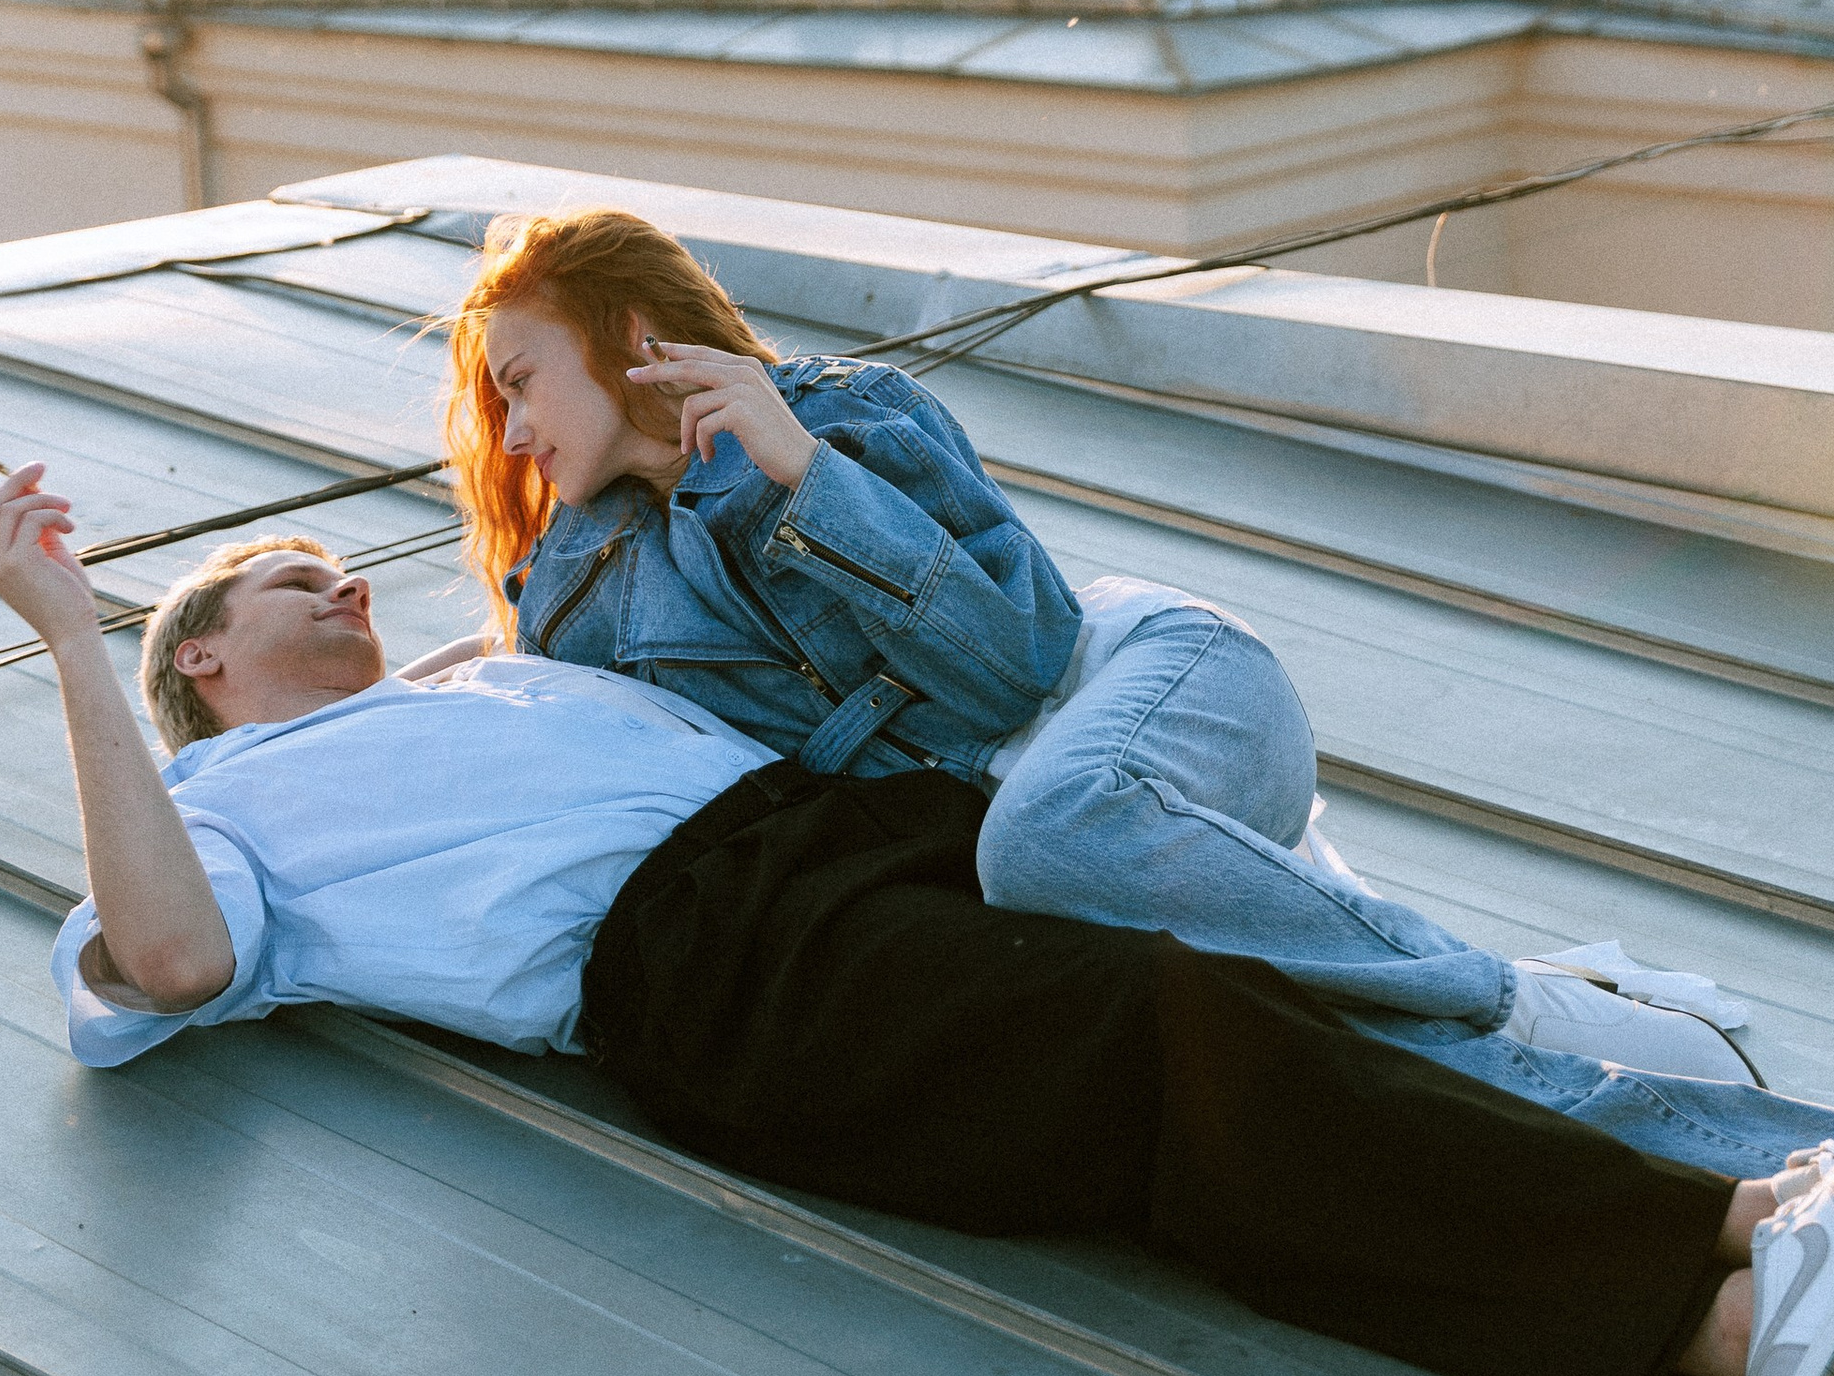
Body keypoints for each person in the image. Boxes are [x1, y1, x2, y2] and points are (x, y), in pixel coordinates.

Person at [0, 462, 1834, 1376]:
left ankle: (1801, 1200)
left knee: (1289, 991)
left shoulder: (487, 667)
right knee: (1170, 1055)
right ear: (207, 671)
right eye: (272, 582)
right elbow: (161, 952)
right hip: (713, 958)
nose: (333, 572)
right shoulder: (232, 803)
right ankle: (1732, 1317)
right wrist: (69, 638)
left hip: (848, 833)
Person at [443, 208, 1765, 1138]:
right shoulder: (580, 602)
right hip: (1066, 838)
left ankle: (1516, 998)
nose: (509, 428)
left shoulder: (843, 418)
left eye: (522, 379)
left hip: (1151, 687)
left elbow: (1011, 665)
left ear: (625, 334)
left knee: (1048, 834)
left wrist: (801, 479)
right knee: (1277, 1031)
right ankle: (1667, 1100)